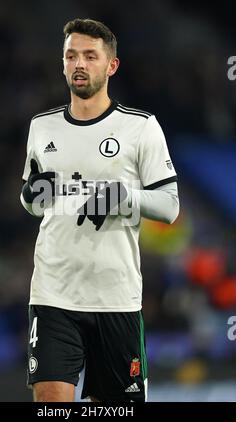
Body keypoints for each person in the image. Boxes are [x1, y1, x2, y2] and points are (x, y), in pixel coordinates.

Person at [20, 18, 179, 402]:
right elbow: (32, 201)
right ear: (62, 63)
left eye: (90, 56)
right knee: (51, 401)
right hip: (53, 293)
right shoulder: (42, 127)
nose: (79, 63)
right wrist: (31, 195)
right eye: (71, 55)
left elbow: (169, 206)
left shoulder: (140, 128)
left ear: (111, 66)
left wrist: (124, 198)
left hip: (116, 297)